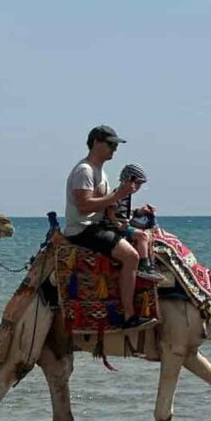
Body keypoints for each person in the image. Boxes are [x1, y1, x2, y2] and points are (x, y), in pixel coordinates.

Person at [64, 125, 157, 329]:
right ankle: (129, 316)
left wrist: (129, 210)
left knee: (148, 237)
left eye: (116, 145)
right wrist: (117, 196)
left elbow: (105, 205)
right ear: (96, 143)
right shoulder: (85, 171)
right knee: (131, 256)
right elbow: (84, 205)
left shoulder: (101, 173)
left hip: (97, 225)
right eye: (111, 144)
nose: (114, 149)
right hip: (83, 229)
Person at [109, 162, 159, 278]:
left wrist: (141, 211)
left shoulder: (126, 195)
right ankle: (144, 265)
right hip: (117, 228)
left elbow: (126, 213)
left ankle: (149, 262)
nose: (137, 187)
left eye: (139, 184)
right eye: (136, 183)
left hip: (123, 224)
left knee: (149, 231)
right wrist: (118, 225)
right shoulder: (118, 194)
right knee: (142, 236)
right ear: (127, 180)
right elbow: (110, 213)